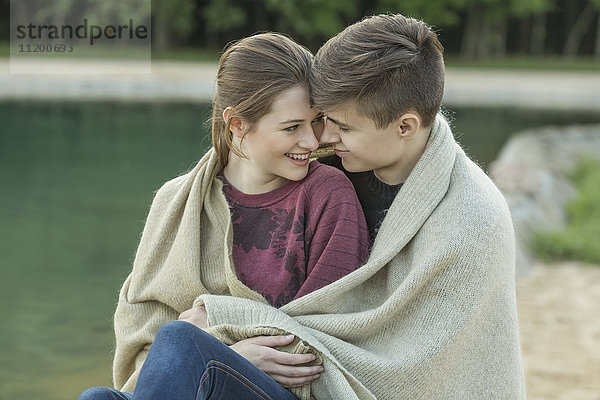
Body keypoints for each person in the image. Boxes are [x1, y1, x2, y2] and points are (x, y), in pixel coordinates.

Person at [194, 13, 526, 399]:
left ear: (405, 126)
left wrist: (222, 328)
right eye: (325, 119)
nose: (323, 136)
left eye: (343, 127)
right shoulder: (328, 162)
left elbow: (407, 368)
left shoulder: (472, 221)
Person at [77, 32, 368, 400]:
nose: (311, 141)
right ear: (237, 124)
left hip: (287, 391)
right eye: (292, 127)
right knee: (97, 398)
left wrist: (216, 344)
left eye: (316, 122)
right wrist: (227, 356)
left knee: (182, 339)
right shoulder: (176, 201)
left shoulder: (328, 194)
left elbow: (336, 331)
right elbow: (142, 332)